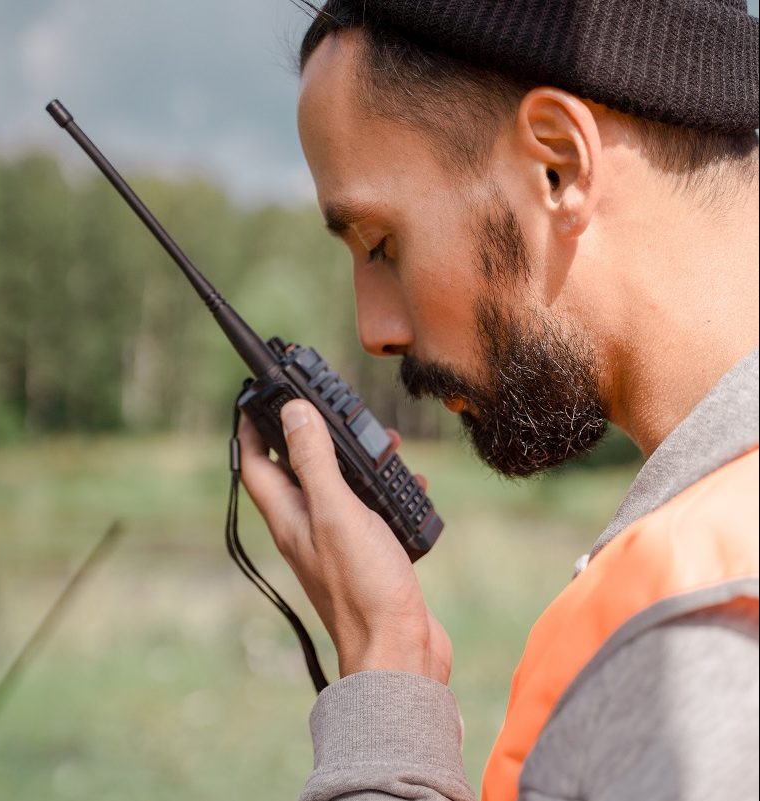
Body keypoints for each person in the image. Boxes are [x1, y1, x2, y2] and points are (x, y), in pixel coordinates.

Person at [239, 1, 759, 799]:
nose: (373, 329)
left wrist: (381, 689)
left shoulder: (702, 643)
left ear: (558, 164)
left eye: (381, 244)